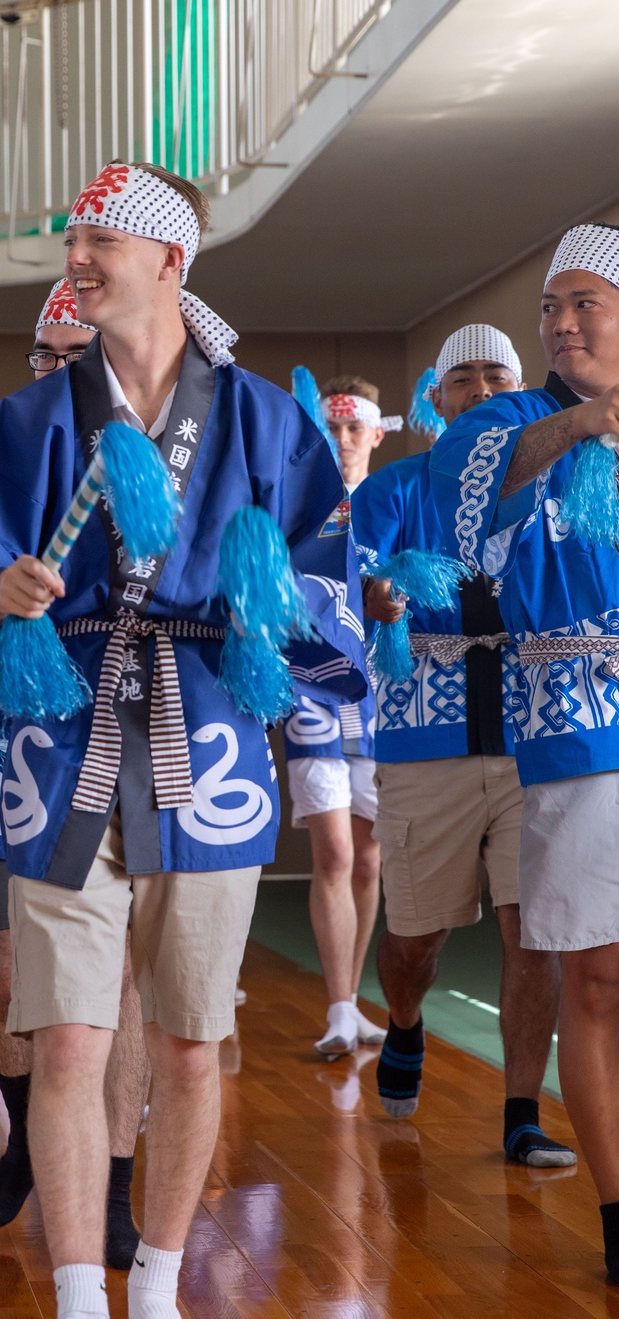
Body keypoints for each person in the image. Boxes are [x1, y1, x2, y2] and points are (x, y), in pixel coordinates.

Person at [0, 162, 366, 1319]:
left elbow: (323, 570)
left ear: (171, 261)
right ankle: (70, 1308)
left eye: (102, 237)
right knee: (66, 1041)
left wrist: (275, 607)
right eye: (73, 236)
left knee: (188, 1045)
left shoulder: (267, 424)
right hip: (62, 749)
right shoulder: (23, 427)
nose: (79, 255)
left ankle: (157, 1285)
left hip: (206, 737)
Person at [0, 279, 150, 1269]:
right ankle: (21, 1151)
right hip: (4, 749)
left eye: (74, 354)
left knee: (119, 985)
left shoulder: (162, 460)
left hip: (124, 747)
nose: (55, 373)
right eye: (42, 356)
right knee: (4, 969)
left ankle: (118, 1191)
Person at [430, 228, 619, 1278]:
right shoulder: (513, 416)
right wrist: (587, 424)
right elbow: (468, 477)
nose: (559, 323)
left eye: (584, 303)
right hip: (575, 720)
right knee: (594, 979)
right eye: (551, 309)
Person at [354, 322, 572, 1170]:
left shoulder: (557, 479)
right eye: (463, 378)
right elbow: (357, 574)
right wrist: (377, 596)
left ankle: (521, 1109)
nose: (481, 390)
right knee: (415, 941)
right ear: (434, 398)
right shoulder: (399, 486)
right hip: (425, 732)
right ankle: (403, 1021)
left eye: (498, 375)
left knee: (534, 929)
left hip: (534, 727)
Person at [284, 375, 403, 1058]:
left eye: (354, 427)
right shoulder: (302, 507)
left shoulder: (392, 500)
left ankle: (353, 1001)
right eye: (331, 428)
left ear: (377, 432)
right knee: (330, 852)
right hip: (313, 692)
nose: (342, 439)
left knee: (368, 857)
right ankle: (336, 1005)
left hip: (384, 696)